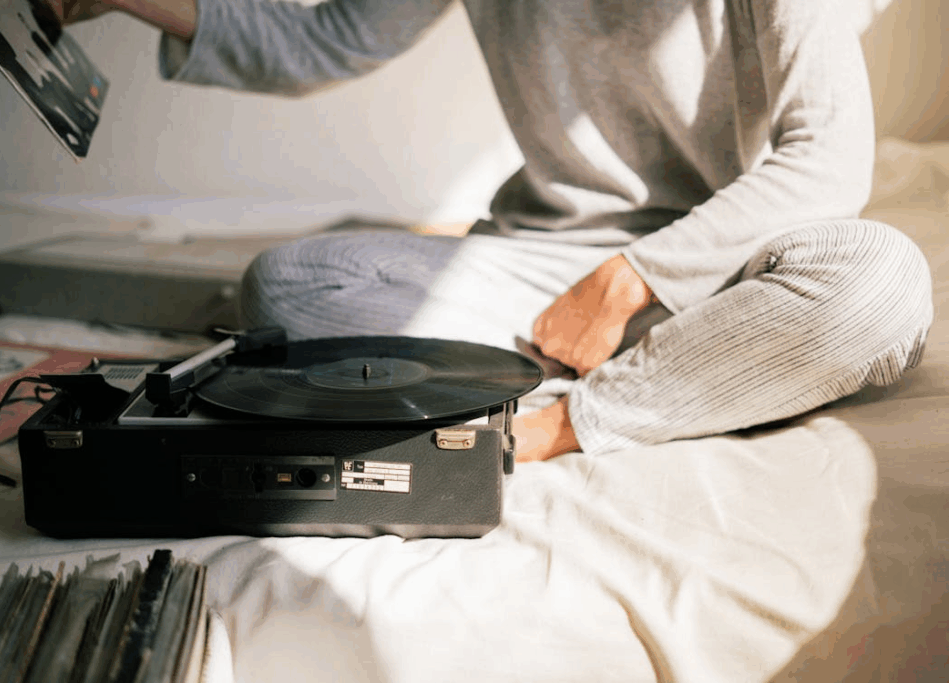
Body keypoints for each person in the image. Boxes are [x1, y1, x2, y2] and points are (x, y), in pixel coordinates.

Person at [48, 0, 933, 462]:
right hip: (546, 265)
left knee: (882, 284)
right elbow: (324, 43)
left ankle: (554, 427)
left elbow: (829, 164)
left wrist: (629, 281)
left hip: (728, 266)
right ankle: (696, 372)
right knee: (290, 286)